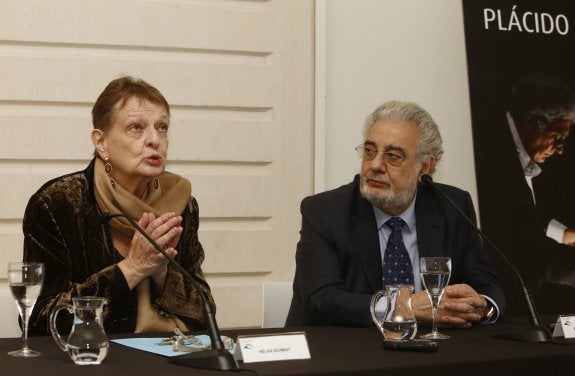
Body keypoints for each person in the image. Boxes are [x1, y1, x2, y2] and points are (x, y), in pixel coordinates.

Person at [285, 100, 505, 327]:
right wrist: (404, 306)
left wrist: (481, 307)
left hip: (431, 353)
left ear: (425, 167)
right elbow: (321, 302)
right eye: (370, 151)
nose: (376, 165)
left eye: (393, 156)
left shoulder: (453, 207)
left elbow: (488, 289)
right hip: (345, 353)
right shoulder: (325, 211)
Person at [23, 75, 214, 335]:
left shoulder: (181, 203)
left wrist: (161, 272)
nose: (154, 140)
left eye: (162, 127)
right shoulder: (58, 204)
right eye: (136, 127)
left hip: (167, 354)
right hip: (87, 360)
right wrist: (133, 268)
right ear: (101, 142)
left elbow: (205, 314)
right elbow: (39, 322)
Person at [475, 71, 575, 315]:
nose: (560, 150)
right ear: (533, 122)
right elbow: (524, 248)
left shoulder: (510, 151)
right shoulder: (494, 157)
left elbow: (526, 224)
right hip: (506, 302)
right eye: (557, 137)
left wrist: (563, 235)